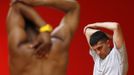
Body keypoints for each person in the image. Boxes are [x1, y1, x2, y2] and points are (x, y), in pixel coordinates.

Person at [7, 0, 80, 75]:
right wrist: (39, 2)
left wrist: (43, 26)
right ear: (38, 30)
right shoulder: (59, 43)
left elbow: (16, 7)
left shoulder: (18, 49)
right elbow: (74, 7)